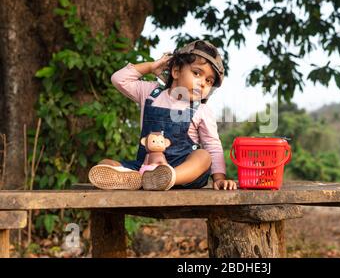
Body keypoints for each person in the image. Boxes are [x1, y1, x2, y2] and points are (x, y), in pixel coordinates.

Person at [88, 40, 237, 191]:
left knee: (204, 156)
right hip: (145, 167)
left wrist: (219, 178)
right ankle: (140, 179)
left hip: (183, 172)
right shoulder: (150, 94)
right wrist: (151, 67)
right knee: (105, 163)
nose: (203, 83)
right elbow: (119, 79)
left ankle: (168, 177)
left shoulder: (201, 110)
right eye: (197, 73)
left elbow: (213, 145)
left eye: (209, 81)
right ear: (176, 71)